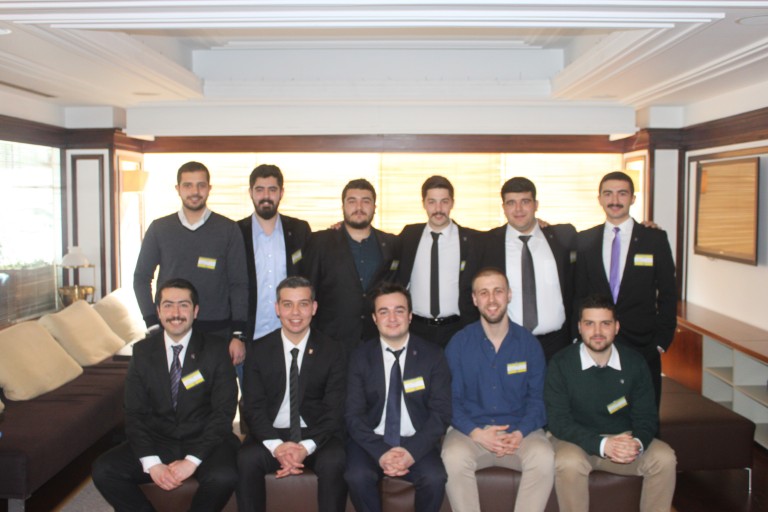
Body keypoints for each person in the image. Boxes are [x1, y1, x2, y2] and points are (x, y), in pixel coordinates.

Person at [93, 278, 239, 512]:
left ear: (195, 311)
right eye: (168, 305)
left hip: (205, 439)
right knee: (104, 470)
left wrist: (192, 461)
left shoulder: (216, 349)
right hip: (158, 439)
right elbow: (134, 413)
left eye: (183, 305)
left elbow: (223, 412)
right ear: (158, 312)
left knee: (224, 476)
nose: (176, 313)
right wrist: (152, 463)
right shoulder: (142, 352)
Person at [544, 294, 676, 512]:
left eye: (605, 323)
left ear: (616, 327)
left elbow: (647, 417)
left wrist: (637, 443)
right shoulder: (561, 363)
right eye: (589, 324)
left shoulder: (635, 363)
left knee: (665, 458)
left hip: (623, 439)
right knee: (568, 463)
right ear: (579, 327)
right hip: (574, 441)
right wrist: (603, 445)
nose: (597, 332)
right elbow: (558, 422)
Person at [442, 267, 554, 512]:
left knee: (544, 457)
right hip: (470, 433)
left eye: (498, 291)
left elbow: (538, 399)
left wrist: (520, 432)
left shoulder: (529, 344)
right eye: (483, 293)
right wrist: (476, 433)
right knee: (452, 458)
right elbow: (450, 400)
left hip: (520, 434)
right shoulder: (459, 343)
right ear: (474, 299)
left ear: (509, 294)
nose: (491, 299)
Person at [237, 276, 347, 512]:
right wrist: (277, 447)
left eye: (303, 304)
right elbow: (253, 407)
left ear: (314, 308)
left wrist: (305, 447)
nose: (295, 312)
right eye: (287, 304)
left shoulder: (333, 350)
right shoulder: (258, 350)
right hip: (271, 432)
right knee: (247, 459)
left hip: (317, 433)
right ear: (277, 308)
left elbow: (334, 409)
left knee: (335, 460)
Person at [345, 282, 452, 512]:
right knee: (356, 476)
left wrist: (411, 452)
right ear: (374, 318)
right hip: (371, 440)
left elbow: (441, 414)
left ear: (410, 316)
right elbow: (353, 415)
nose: (392, 318)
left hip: (416, 440)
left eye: (399, 310)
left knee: (435, 478)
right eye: (384, 312)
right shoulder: (360, 357)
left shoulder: (433, 356)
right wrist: (381, 452)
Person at [574, 171, 676, 406]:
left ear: (632, 198)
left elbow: (669, 294)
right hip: (596, 340)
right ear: (599, 199)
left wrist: (662, 341)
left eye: (622, 193)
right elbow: (579, 294)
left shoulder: (654, 239)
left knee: (643, 407)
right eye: (608, 194)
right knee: (598, 407)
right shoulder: (585, 239)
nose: (615, 200)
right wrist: (578, 335)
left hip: (643, 343)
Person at [133, 161, 248, 367]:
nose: (195, 192)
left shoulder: (228, 229)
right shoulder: (159, 229)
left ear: (209, 188)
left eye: (201, 185)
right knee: (174, 386)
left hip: (217, 333)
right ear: (178, 189)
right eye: (188, 185)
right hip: (172, 330)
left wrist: (238, 334)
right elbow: (141, 278)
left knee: (217, 386)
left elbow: (239, 283)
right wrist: (152, 322)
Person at [482, 177, 576, 361]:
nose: (518, 209)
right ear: (503, 207)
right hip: (507, 343)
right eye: (511, 203)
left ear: (536, 205)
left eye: (525, 202)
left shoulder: (562, 236)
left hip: (557, 344)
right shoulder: (486, 243)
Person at [304, 178, 398, 351]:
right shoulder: (320, 242)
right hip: (331, 342)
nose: (359, 207)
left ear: (375, 207)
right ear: (343, 207)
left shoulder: (391, 243)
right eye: (352, 201)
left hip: (377, 341)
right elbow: (308, 291)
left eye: (366, 201)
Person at [237, 164, 311, 377]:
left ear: (281, 192)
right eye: (260, 190)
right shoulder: (236, 232)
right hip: (250, 339)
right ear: (250, 192)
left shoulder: (300, 230)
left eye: (272, 189)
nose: (266, 196)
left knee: (292, 394)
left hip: (292, 336)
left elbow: (313, 270)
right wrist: (237, 335)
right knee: (252, 396)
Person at [395, 175, 481, 348]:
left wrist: (535, 224)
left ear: (452, 203)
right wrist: (343, 227)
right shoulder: (409, 236)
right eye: (432, 202)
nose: (438, 209)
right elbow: (380, 243)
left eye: (444, 202)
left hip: (457, 329)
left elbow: (501, 238)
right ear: (424, 204)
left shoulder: (472, 240)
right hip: (416, 329)